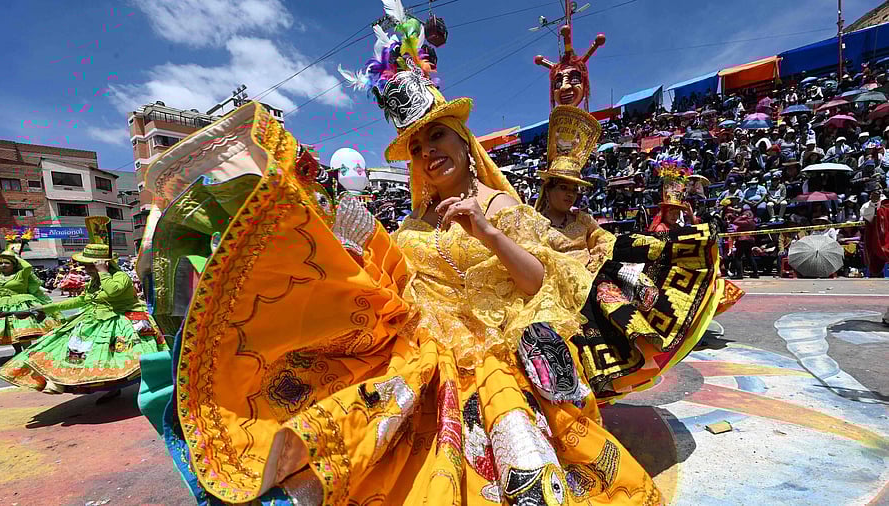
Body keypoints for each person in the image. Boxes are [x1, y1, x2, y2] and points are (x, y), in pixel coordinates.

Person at [138, 17, 664, 503]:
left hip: (497, 351)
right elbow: (394, 285)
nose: (428, 152)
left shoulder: (503, 206)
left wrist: (484, 230)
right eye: (416, 147)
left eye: (436, 136)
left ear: (463, 142)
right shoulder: (409, 227)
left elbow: (535, 283)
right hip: (420, 350)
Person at [535, 108, 730, 404]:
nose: (570, 194)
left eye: (575, 189)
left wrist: (593, 260)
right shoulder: (531, 222)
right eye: (563, 187)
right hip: (554, 294)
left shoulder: (583, 219)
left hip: (591, 283)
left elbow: (605, 241)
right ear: (547, 188)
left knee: (632, 261)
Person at [0, 216, 167, 403]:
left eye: (88, 264)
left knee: (119, 356)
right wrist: (46, 307)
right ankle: (61, 379)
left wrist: (103, 272)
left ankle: (141, 388)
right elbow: (81, 300)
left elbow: (113, 291)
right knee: (66, 344)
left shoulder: (120, 276)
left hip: (124, 319)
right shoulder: (94, 280)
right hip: (95, 318)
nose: (83, 267)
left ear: (100, 263)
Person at [0, 247, 60, 353]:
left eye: (7, 262)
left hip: (21, 304)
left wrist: (16, 256)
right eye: (0, 263)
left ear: (14, 264)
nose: (3, 265)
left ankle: (28, 351)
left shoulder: (21, 274)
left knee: (23, 329)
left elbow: (28, 267)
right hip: (0, 306)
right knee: (10, 330)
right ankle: (18, 351)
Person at [861, 189, 889, 277]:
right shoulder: (869, 206)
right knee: (875, 261)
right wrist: (873, 203)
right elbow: (866, 215)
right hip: (877, 239)